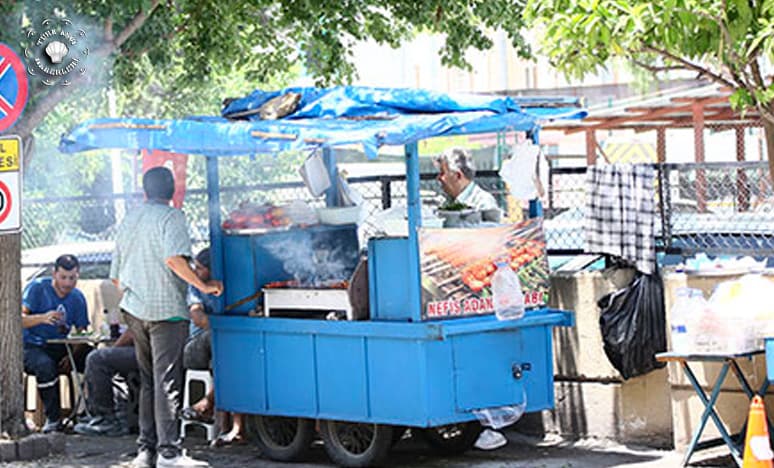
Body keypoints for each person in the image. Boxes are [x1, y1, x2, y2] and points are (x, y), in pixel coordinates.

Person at [111, 166, 223, 468]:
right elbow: (174, 259)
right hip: (167, 314)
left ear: (145, 190)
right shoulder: (172, 217)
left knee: (149, 381)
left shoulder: (130, 219)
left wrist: (139, 292)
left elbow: (116, 278)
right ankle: (169, 453)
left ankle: (146, 451)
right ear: (172, 189)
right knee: (167, 382)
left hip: (135, 310)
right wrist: (204, 286)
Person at [180, 248, 244, 447]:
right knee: (221, 341)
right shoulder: (195, 286)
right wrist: (226, 329)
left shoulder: (229, 285)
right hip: (195, 348)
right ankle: (227, 421)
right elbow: (198, 318)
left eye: (200, 268)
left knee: (230, 357)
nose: (196, 272)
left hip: (221, 347)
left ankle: (223, 420)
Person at [22, 254, 91, 433]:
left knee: (94, 359)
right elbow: (19, 319)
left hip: (62, 347)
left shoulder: (77, 297)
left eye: (72, 278)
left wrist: (73, 354)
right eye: (63, 277)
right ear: (54, 274)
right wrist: (42, 318)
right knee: (44, 365)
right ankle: (53, 419)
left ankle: (93, 414)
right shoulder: (37, 288)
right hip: (31, 345)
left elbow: (81, 332)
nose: (67, 283)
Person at [73, 328, 138, 437]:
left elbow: (133, 332)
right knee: (109, 360)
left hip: (154, 353)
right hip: (164, 352)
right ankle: (120, 415)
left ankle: (105, 420)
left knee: (96, 359)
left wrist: (113, 349)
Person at [434, 147, 502, 222]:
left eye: (442, 173)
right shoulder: (446, 201)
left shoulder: (483, 203)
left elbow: (491, 231)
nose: (439, 178)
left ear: (457, 176)